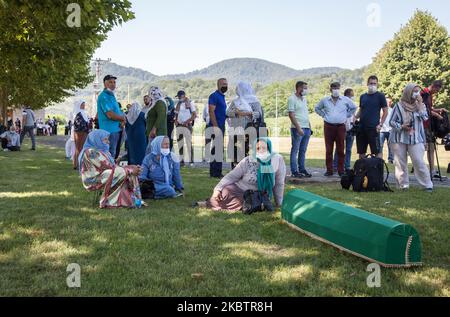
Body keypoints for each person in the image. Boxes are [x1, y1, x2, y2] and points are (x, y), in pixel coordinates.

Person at [198, 138, 286, 212]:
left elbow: (279, 183)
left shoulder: (276, 160)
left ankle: (210, 204)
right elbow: (231, 176)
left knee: (247, 202)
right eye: (258, 148)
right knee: (225, 192)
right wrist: (217, 189)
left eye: (264, 148)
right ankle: (210, 202)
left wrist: (279, 203)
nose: (261, 151)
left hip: (258, 195)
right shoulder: (248, 160)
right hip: (239, 189)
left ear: (269, 148)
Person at [78, 129, 145, 209]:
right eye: (105, 139)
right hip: (93, 180)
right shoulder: (91, 152)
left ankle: (131, 200)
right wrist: (130, 169)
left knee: (124, 172)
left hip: (103, 175)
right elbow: (108, 166)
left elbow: (111, 166)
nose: (108, 142)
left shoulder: (103, 151)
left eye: (107, 139)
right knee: (121, 172)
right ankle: (111, 202)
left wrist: (130, 168)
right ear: (96, 139)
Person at [389, 83, 433, 192]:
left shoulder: (420, 105)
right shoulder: (398, 105)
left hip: (416, 138)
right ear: (408, 92)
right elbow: (391, 122)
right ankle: (403, 185)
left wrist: (420, 105)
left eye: (418, 91)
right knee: (400, 162)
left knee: (419, 161)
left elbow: (425, 118)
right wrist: (401, 126)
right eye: (415, 91)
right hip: (399, 138)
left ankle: (427, 185)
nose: (417, 93)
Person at [315, 82, 357, 176]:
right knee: (329, 149)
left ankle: (341, 170)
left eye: (337, 88)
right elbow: (317, 108)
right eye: (334, 88)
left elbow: (354, 107)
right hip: (328, 126)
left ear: (340, 89)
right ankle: (329, 170)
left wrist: (347, 115)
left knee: (341, 149)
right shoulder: (325, 100)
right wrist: (323, 115)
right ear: (330, 89)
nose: (336, 90)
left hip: (340, 127)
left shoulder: (345, 100)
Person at [226, 81, 265, 169]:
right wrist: (236, 113)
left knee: (249, 151)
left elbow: (259, 114)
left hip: (250, 130)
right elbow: (227, 112)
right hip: (236, 130)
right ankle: (236, 171)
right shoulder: (235, 101)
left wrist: (247, 113)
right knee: (236, 151)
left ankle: (249, 171)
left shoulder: (255, 101)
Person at [356, 75, 388, 159]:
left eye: (374, 83)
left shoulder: (380, 96)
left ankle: (378, 171)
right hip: (361, 128)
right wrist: (354, 118)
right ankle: (362, 171)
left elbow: (385, 111)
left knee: (377, 152)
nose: (372, 85)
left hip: (374, 128)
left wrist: (380, 124)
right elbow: (361, 110)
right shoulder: (363, 96)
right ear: (367, 83)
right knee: (361, 152)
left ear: (377, 84)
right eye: (371, 83)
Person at [421, 80, 448, 178]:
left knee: (432, 147)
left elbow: (430, 109)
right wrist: (436, 115)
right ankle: (422, 170)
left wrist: (439, 110)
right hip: (423, 125)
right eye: (437, 90)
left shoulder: (430, 95)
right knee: (424, 147)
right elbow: (424, 109)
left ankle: (432, 170)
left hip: (429, 125)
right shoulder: (424, 93)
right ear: (434, 86)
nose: (436, 92)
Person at [97, 74, 126, 158]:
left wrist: (123, 120)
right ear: (105, 84)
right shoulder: (103, 96)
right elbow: (110, 115)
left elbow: (117, 111)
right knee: (109, 155)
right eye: (110, 82)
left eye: (114, 82)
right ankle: (108, 171)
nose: (113, 84)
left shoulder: (111, 95)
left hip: (117, 129)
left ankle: (112, 170)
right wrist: (123, 118)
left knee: (114, 155)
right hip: (109, 131)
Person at [288, 81, 312, 178]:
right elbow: (291, 115)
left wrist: (309, 127)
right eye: (304, 88)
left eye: (306, 88)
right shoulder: (291, 99)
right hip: (297, 129)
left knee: (303, 150)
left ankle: (302, 169)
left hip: (306, 128)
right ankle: (294, 171)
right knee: (295, 150)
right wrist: (298, 128)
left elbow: (305, 113)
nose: (306, 90)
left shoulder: (304, 99)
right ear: (298, 88)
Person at [208, 78, 228, 178]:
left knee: (217, 149)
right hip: (215, 126)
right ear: (219, 85)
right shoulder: (214, 96)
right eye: (224, 84)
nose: (225, 86)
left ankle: (214, 172)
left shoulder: (222, 97)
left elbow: (221, 112)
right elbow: (211, 111)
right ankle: (216, 173)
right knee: (217, 150)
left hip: (221, 125)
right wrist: (216, 126)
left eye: (226, 84)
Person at [333, 88, 357, 172]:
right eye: (351, 95)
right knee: (339, 148)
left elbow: (354, 116)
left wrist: (354, 122)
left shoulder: (353, 105)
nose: (352, 97)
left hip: (350, 129)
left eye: (352, 95)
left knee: (349, 149)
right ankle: (335, 166)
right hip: (342, 128)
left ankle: (346, 166)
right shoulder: (341, 104)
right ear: (346, 96)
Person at [174, 90, 196, 166]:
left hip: (187, 125)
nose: (179, 98)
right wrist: (176, 121)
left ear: (183, 96)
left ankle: (191, 161)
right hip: (179, 125)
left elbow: (194, 115)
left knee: (188, 144)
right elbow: (176, 114)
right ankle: (181, 161)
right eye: (178, 97)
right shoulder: (178, 104)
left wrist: (187, 121)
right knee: (180, 144)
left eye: (180, 96)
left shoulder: (190, 103)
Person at [145, 87, 168, 154]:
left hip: (157, 133)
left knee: (154, 153)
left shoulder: (160, 103)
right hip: (154, 133)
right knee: (151, 153)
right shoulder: (155, 103)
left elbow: (161, 117)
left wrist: (154, 129)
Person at [72, 101, 90, 169]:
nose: (84, 106)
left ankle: (78, 164)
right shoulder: (78, 113)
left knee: (81, 148)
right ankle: (76, 164)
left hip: (84, 132)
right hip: (80, 132)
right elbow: (79, 124)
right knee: (78, 148)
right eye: (82, 105)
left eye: (84, 105)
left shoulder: (83, 113)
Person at [379, 97, 394, 164]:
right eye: (387, 101)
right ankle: (379, 159)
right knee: (380, 145)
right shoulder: (380, 110)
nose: (388, 103)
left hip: (390, 130)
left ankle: (391, 159)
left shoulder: (392, 110)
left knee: (391, 146)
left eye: (389, 102)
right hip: (381, 130)